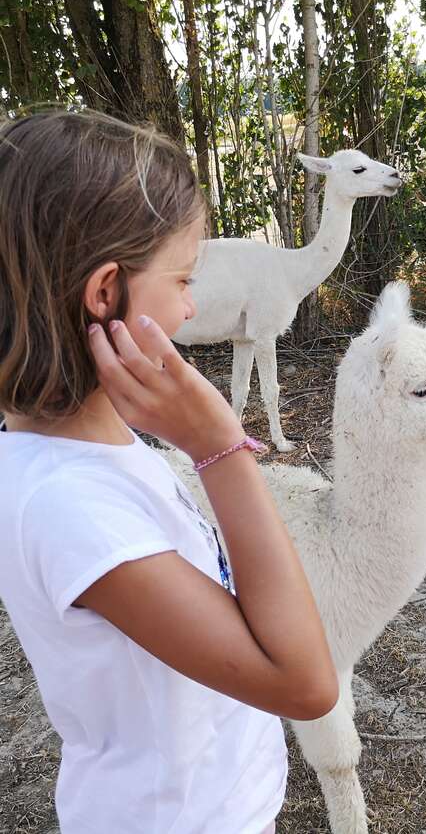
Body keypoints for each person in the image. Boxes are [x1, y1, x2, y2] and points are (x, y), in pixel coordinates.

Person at [0, 110, 338, 834]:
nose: (191, 305)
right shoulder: (70, 504)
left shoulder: (94, 453)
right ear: (105, 292)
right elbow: (305, 683)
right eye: (184, 278)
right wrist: (220, 446)